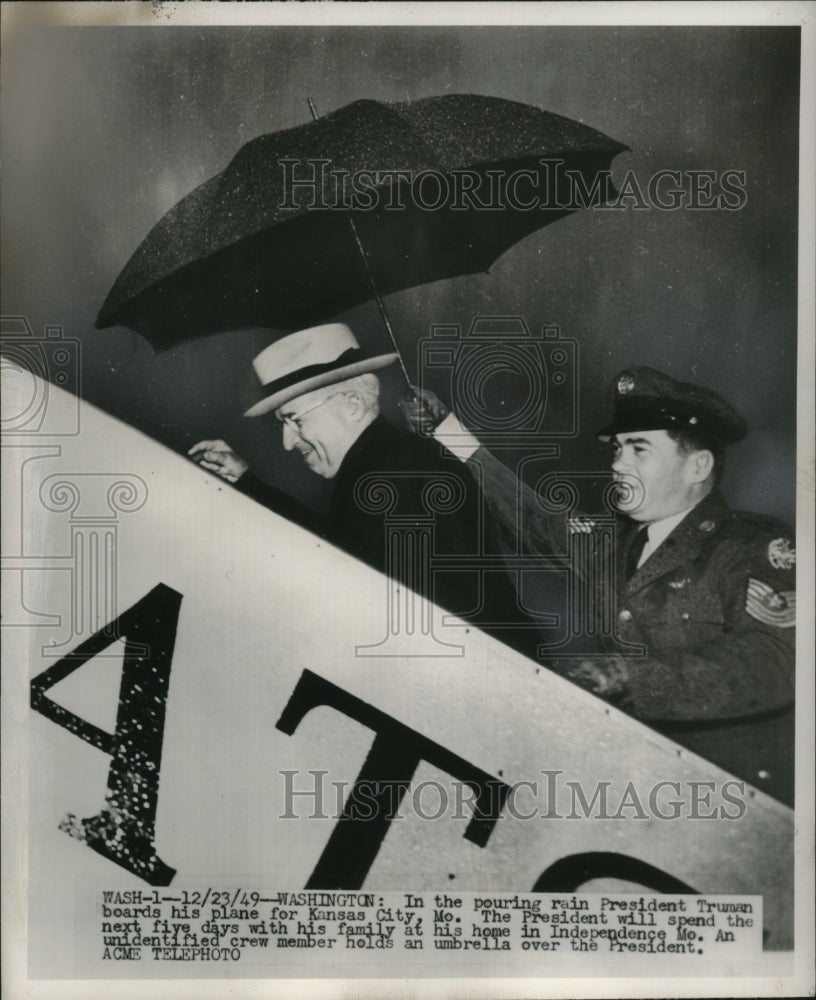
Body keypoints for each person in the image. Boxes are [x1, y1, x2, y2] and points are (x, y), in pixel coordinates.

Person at [405, 367, 796, 805]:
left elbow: (774, 661)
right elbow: (531, 517)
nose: (617, 463)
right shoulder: (611, 541)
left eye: (639, 449)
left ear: (698, 465)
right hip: (628, 785)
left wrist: (632, 676)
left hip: (728, 799)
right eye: (617, 448)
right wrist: (449, 432)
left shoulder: (748, 546)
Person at [189, 322, 547, 658]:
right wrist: (248, 483)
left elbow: (341, 572)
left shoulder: (386, 476)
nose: (287, 442)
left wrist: (250, 486)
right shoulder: (384, 463)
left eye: (295, 421)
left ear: (353, 404)